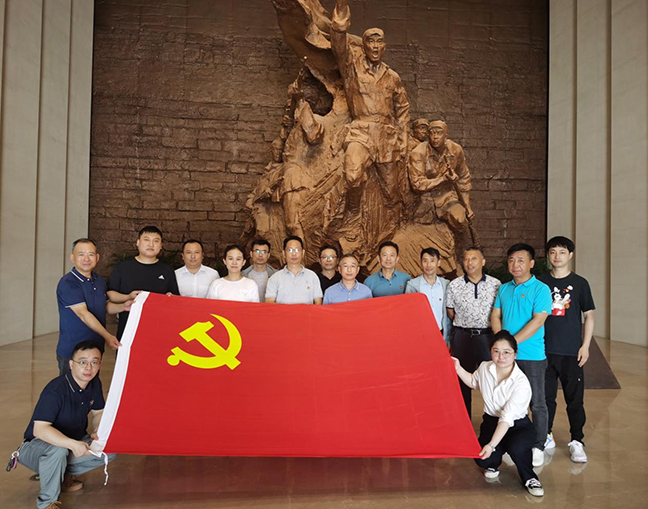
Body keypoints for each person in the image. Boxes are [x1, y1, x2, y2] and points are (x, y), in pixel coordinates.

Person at [331, 0, 410, 247]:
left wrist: (404, 138)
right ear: (363, 46)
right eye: (370, 42)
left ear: (384, 46)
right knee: (353, 173)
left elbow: (403, 109)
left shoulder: (392, 77)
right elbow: (339, 46)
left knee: (391, 190)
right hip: (361, 131)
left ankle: (393, 232)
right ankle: (353, 212)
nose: (375, 46)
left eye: (379, 42)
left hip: (386, 136)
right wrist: (340, 21)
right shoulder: (352, 67)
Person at [16, 341, 117, 509]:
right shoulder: (55, 390)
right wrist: (72, 444)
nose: (88, 368)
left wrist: (97, 429)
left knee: (110, 448)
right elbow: (40, 429)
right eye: (82, 362)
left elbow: (98, 412)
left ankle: (60, 476)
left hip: (72, 442)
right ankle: (48, 503)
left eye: (94, 362)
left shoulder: (94, 384)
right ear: (71, 364)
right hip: (36, 446)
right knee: (59, 450)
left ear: (100, 364)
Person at [452, 331, 545, 497]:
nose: (501, 357)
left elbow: (506, 419)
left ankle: (530, 477)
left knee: (517, 448)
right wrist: (457, 368)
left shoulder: (521, 383)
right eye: (496, 351)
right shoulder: (484, 367)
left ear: (515, 354)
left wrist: (491, 445)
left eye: (506, 352)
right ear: (490, 351)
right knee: (483, 458)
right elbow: (473, 382)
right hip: (491, 422)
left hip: (517, 425)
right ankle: (494, 462)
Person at [491, 243, 552, 467]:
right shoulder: (504, 289)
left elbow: (538, 321)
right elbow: (495, 315)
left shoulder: (541, 289)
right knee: (508, 402)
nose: (515, 265)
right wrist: (502, 345)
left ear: (531, 263)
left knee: (537, 403)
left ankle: (538, 445)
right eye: (511, 260)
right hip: (507, 358)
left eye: (520, 260)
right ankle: (511, 442)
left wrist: (510, 344)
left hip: (532, 355)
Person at [538, 236, 595, 463]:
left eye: (562, 252)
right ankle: (546, 435)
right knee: (545, 399)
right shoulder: (539, 282)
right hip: (543, 350)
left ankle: (577, 441)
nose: (557, 256)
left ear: (570, 255)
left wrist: (585, 346)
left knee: (575, 400)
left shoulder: (580, 283)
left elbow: (589, 316)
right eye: (553, 252)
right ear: (548, 255)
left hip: (572, 351)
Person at [56, 238, 133, 375]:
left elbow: (104, 306)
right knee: (72, 387)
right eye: (81, 254)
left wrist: (124, 307)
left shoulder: (98, 280)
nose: (86, 259)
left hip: (95, 349)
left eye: (91, 254)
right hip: (73, 352)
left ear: (97, 258)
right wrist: (107, 336)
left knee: (92, 386)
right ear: (72, 257)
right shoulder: (68, 283)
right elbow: (83, 314)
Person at [446, 246, 501, 417]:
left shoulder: (496, 284)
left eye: (474, 258)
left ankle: (491, 421)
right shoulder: (454, 285)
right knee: (462, 380)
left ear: (483, 262)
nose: (469, 262)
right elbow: (450, 312)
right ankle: (464, 421)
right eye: (466, 259)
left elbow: (499, 312)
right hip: (462, 337)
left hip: (487, 337)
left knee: (490, 378)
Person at [107, 226, 179, 339]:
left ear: (161, 246)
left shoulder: (167, 270)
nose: (151, 244)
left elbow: (175, 297)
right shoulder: (123, 267)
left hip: (158, 329)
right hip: (128, 329)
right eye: (146, 240)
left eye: (156, 241)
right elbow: (110, 294)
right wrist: (128, 296)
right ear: (138, 242)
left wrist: (170, 298)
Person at [408, 120, 474, 232]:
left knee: (459, 220)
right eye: (432, 133)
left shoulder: (455, 150)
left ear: (445, 135)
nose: (435, 137)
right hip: (424, 199)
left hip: (447, 197)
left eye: (439, 133)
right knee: (420, 231)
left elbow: (464, 178)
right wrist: (442, 179)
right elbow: (417, 184)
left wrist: (467, 206)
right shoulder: (418, 153)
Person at [405, 247, 451, 344]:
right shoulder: (412, 285)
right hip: (420, 334)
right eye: (425, 261)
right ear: (421, 263)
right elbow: (408, 313)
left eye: (432, 261)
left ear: (438, 263)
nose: (428, 265)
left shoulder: (446, 285)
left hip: (441, 332)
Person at [265, 236, 323, 304]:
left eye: (297, 250)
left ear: (303, 253)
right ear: (284, 253)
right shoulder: (274, 278)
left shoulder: (312, 276)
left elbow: (318, 302)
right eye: (290, 250)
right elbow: (269, 302)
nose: (294, 254)